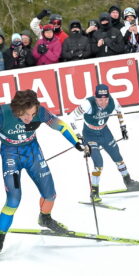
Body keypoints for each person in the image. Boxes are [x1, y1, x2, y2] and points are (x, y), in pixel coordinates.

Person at [0, 89, 87, 252]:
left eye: (33, 114)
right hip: (10, 154)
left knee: (50, 194)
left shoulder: (39, 112)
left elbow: (60, 125)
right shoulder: (3, 113)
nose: (29, 119)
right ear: (16, 108)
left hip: (32, 153)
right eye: (25, 114)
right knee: (13, 199)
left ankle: (45, 218)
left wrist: (76, 142)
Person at [68, 84, 139, 202]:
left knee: (118, 157)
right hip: (90, 135)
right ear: (95, 97)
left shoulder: (113, 101)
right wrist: (78, 137)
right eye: (100, 99)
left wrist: (123, 127)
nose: (103, 102)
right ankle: (94, 192)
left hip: (105, 132)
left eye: (105, 99)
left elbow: (120, 111)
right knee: (99, 163)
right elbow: (71, 117)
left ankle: (128, 182)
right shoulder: (87, 104)